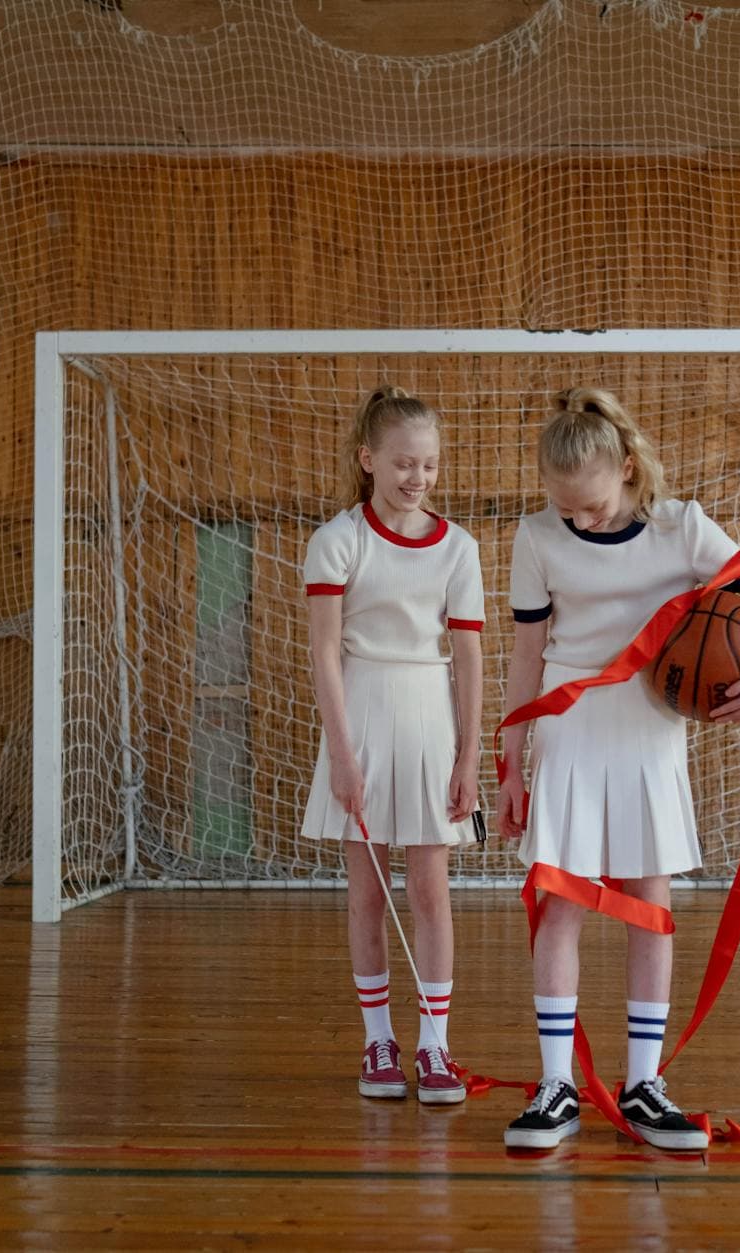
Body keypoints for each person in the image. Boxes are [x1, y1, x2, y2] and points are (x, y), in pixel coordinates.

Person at [498, 387, 740, 1150]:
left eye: (593, 506)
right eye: (565, 508)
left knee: (649, 901)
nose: (579, 520)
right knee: (561, 903)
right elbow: (528, 655)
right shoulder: (536, 537)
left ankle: (643, 1085)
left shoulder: (683, 527)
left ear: (628, 468)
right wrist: (507, 759)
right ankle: (556, 1084)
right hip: (568, 727)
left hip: (650, 731)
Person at [301, 386, 484, 1106]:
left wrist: (468, 754)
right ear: (367, 459)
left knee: (431, 890)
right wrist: (342, 754)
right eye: (405, 463)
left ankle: (436, 1047)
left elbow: (467, 659)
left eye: (430, 465)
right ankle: (378, 1040)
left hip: (429, 718)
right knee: (368, 894)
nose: (418, 478)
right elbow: (322, 654)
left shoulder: (459, 547)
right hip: (361, 715)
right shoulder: (336, 539)